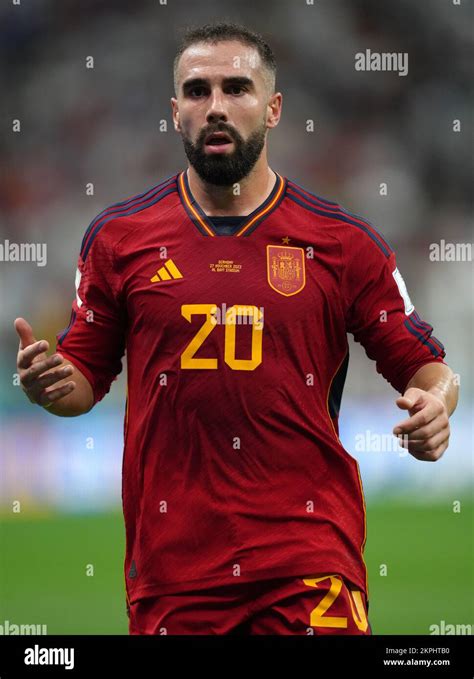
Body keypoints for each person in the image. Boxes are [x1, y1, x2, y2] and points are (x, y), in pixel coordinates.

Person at [14, 22, 458, 635]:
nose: (216, 106)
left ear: (273, 108)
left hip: (307, 559)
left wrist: (436, 404)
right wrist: (49, 385)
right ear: (175, 112)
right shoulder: (119, 239)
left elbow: (429, 367)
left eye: (236, 88)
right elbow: (82, 380)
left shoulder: (341, 242)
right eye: (197, 91)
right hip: (173, 570)